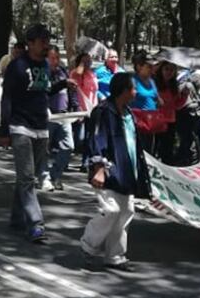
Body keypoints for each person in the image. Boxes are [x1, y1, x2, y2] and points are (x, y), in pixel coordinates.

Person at [81, 71, 150, 272]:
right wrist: (98, 168)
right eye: (133, 88)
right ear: (124, 90)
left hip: (127, 171)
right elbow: (96, 140)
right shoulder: (103, 111)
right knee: (111, 210)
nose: (136, 92)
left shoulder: (128, 114)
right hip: (109, 170)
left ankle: (115, 255)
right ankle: (88, 244)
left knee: (126, 212)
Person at [0, 23, 53, 243]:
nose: (46, 46)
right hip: (20, 127)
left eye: (48, 41)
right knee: (28, 178)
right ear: (30, 44)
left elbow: (44, 91)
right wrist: (4, 130)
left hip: (41, 128)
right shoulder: (17, 66)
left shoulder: (46, 65)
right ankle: (36, 223)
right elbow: (7, 98)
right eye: (42, 42)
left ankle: (16, 217)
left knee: (26, 178)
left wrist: (62, 85)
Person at [41, 45, 77, 192]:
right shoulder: (42, 73)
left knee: (68, 146)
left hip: (64, 115)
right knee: (44, 148)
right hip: (49, 115)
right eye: (51, 58)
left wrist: (75, 106)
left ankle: (55, 175)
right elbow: (47, 90)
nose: (55, 61)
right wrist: (63, 84)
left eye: (57, 58)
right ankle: (44, 178)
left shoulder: (62, 71)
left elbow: (70, 91)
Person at [69, 52, 99, 171]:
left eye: (89, 60)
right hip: (80, 109)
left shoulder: (92, 74)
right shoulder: (75, 73)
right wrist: (81, 64)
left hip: (92, 109)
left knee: (89, 137)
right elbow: (77, 75)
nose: (88, 63)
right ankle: (65, 158)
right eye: (85, 61)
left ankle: (85, 162)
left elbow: (95, 90)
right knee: (79, 138)